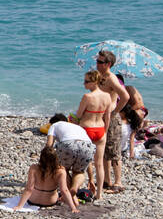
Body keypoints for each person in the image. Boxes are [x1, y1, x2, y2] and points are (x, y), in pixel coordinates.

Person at [95, 52, 131, 192]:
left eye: (100, 62)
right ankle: (106, 180)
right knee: (104, 149)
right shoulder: (100, 77)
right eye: (97, 61)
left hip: (111, 117)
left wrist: (115, 111)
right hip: (100, 117)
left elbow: (125, 96)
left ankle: (118, 182)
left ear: (108, 64)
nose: (97, 63)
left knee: (114, 149)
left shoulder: (111, 78)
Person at [75, 70, 113, 201]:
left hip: (87, 128)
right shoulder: (107, 96)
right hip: (101, 129)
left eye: (86, 81)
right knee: (99, 164)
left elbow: (78, 115)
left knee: (86, 160)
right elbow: (108, 117)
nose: (84, 83)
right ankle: (99, 194)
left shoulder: (87, 97)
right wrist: (105, 131)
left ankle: (90, 181)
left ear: (94, 82)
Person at [15, 147, 80, 213]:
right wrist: (73, 208)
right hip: (49, 202)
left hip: (33, 200)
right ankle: (75, 199)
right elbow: (64, 190)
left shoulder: (34, 168)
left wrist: (20, 206)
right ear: (55, 158)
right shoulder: (60, 171)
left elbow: (29, 189)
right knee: (62, 194)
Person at [45, 113, 94, 195]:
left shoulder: (54, 125)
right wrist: (91, 179)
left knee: (63, 170)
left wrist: (46, 163)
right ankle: (74, 187)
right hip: (88, 146)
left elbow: (49, 145)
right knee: (79, 172)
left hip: (69, 143)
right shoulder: (78, 127)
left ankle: (68, 192)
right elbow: (89, 162)